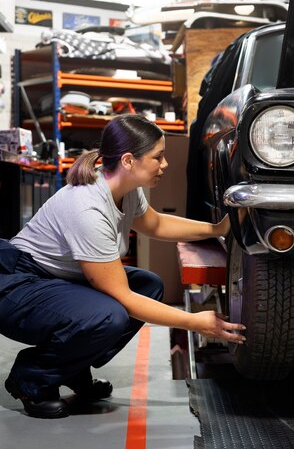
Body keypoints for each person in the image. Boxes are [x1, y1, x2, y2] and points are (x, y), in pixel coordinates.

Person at [0, 114, 245, 419]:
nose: (165, 164)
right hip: (18, 286)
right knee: (110, 315)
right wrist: (196, 322)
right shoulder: (88, 207)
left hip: (55, 279)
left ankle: (71, 368)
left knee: (148, 284)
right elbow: (124, 300)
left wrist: (216, 230)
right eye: (158, 157)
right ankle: (32, 377)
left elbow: (155, 223)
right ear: (129, 160)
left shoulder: (125, 189)